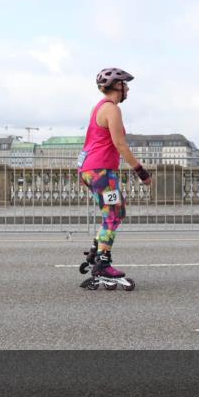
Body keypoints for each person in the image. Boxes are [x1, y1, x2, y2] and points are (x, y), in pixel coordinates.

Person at [77, 68, 152, 283]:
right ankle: (103, 263)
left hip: (90, 170)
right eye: (125, 84)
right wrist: (141, 171)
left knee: (112, 213)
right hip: (102, 171)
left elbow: (90, 142)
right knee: (114, 214)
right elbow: (120, 144)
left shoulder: (98, 108)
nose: (128, 88)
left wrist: (82, 174)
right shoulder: (111, 109)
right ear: (118, 86)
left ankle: (96, 251)